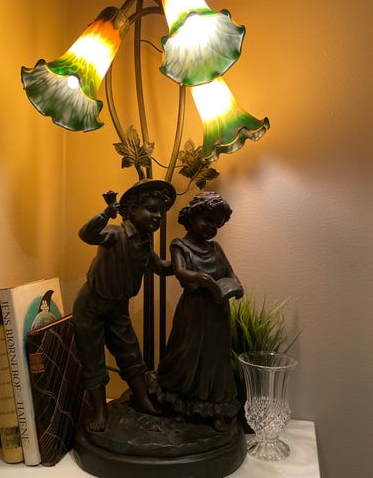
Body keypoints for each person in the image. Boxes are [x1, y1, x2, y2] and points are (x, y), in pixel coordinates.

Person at [72, 179, 176, 432]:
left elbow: (162, 267)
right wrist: (106, 213)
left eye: (161, 212)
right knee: (93, 358)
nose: (158, 217)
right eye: (152, 209)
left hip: (118, 308)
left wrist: (185, 255)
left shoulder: (144, 245)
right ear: (132, 210)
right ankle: (100, 409)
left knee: (130, 352)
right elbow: (86, 234)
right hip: (91, 306)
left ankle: (142, 399)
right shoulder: (115, 234)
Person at [154, 191, 244, 431]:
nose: (212, 227)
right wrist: (199, 278)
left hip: (217, 311)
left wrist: (236, 285)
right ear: (192, 217)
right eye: (207, 220)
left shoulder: (216, 248)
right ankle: (180, 403)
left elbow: (230, 273)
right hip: (194, 310)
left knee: (215, 358)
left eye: (217, 224)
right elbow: (179, 271)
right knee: (188, 353)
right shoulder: (180, 245)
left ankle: (215, 408)